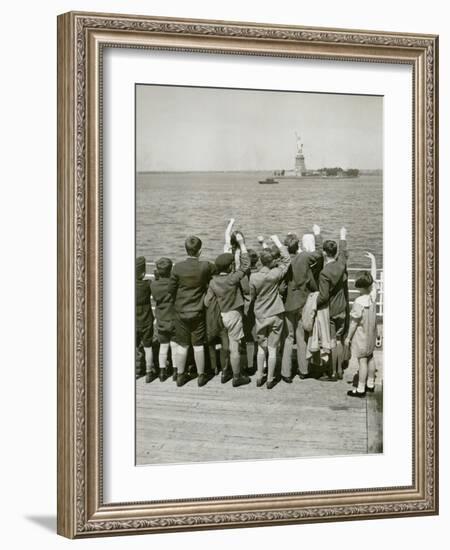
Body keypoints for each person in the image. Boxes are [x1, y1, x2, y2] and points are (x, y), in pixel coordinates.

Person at [204, 232, 251, 387]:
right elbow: (245, 266)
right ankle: (237, 377)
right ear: (231, 266)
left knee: (224, 347)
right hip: (234, 315)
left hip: (221, 316)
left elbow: (206, 301)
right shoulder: (232, 279)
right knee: (234, 346)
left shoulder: (213, 281)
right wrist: (242, 244)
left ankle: (225, 372)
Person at [168, 236, 212, 387]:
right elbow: (219, 268)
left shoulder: (177, 267)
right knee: (198, 345)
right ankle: (201, 376)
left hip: (181, 312)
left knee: (182, 345)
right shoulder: (205, 266)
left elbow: (171, 290)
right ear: (200, 251)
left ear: (185, 249)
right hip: (198, 312)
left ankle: (180, 376)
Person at [250, 235, 290, 389]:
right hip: (276, 313)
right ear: (272, 261)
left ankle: (259, 376)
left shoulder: (254, 277)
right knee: (273, 349)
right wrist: (278, 243)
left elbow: (252, 296)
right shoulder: (276, 274)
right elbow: (287, 260)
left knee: (261, 347)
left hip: (261, 314)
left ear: (261, 261)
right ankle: (270, 379)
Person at [284, 225, 323, 380]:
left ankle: (285, 373)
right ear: (298, 245)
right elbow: (319, 254)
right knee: (301, 338)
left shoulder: (284, 261)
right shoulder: (304, 257)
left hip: (288, 304)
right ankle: (303, 370)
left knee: (288, 339)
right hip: (302, 302)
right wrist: (318, 235)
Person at [317, 227, 348, 380]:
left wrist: (312, 303)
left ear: (324, 253)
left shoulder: (324, 273)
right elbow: (343, 253)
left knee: (333, 341)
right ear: (335, 253)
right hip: (343, 308)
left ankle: (334, 372)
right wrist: (342, 236)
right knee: (340, 338)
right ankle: (341, 369)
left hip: (331, 310)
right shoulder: (341, 264)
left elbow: (323, 297)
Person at [345, 252, 378, 397]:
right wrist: (373, 261)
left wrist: (348, 337)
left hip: (361, 336)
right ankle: (371, 383)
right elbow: (374, 278)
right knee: (370, 357)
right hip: (371, 334)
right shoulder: (372, 296)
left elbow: (354, 323)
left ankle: (360, 388)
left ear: (359, 287)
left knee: (362, 361)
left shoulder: (359, 302)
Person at [150, 257, 177, 382]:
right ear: (170, 269)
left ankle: (162, 372)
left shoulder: (154, 284)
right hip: (173, 318)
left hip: (161, 318)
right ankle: (176, 371)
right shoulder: (173, 284)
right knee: (175, 346)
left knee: (163, 346)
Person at [135, 256, 156, 383]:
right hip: (147, 320)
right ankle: (149, 372)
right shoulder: (148, 284)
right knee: (148, 347)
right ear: (143, 273)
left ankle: (136, 371)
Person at [240, 248, 260, 373]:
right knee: (259, 336)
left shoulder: (243, 277)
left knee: (248, 339)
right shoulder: (260, 274)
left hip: (247, 309)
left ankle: (250, 364)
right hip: (260, 307)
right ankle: (260, 361)